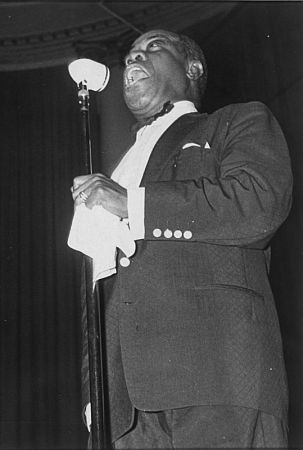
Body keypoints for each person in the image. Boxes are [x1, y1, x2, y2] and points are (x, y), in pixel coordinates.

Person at [71, 29, 292, 448]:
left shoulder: (234, 121)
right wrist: (93, 391)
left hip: (219, 377)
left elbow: (260, 201)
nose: (134, 59)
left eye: (153, 48)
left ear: (192, 69)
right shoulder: (117, 170)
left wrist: (134, 205)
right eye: (131, 54)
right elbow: (96, 288)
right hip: (125, 407)